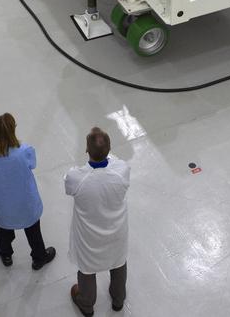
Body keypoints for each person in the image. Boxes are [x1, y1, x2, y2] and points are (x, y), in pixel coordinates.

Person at [66, 127, 130, 317]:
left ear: (86, 150)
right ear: (110, 150)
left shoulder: (76, 178)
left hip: (89, 237)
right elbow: (116, 162)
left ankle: (86, 304)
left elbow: (68, 188)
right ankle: (118, 300)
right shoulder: (122, 170)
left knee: (87, 268)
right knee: (118, 263)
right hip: (116, 232)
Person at [0, 113, 57, 270]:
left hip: (2, 202)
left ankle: (6, 254)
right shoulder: (25, 151)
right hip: (25, 201)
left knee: (2, 230)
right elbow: (32, 164)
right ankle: (39, 257)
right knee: (33, 231)